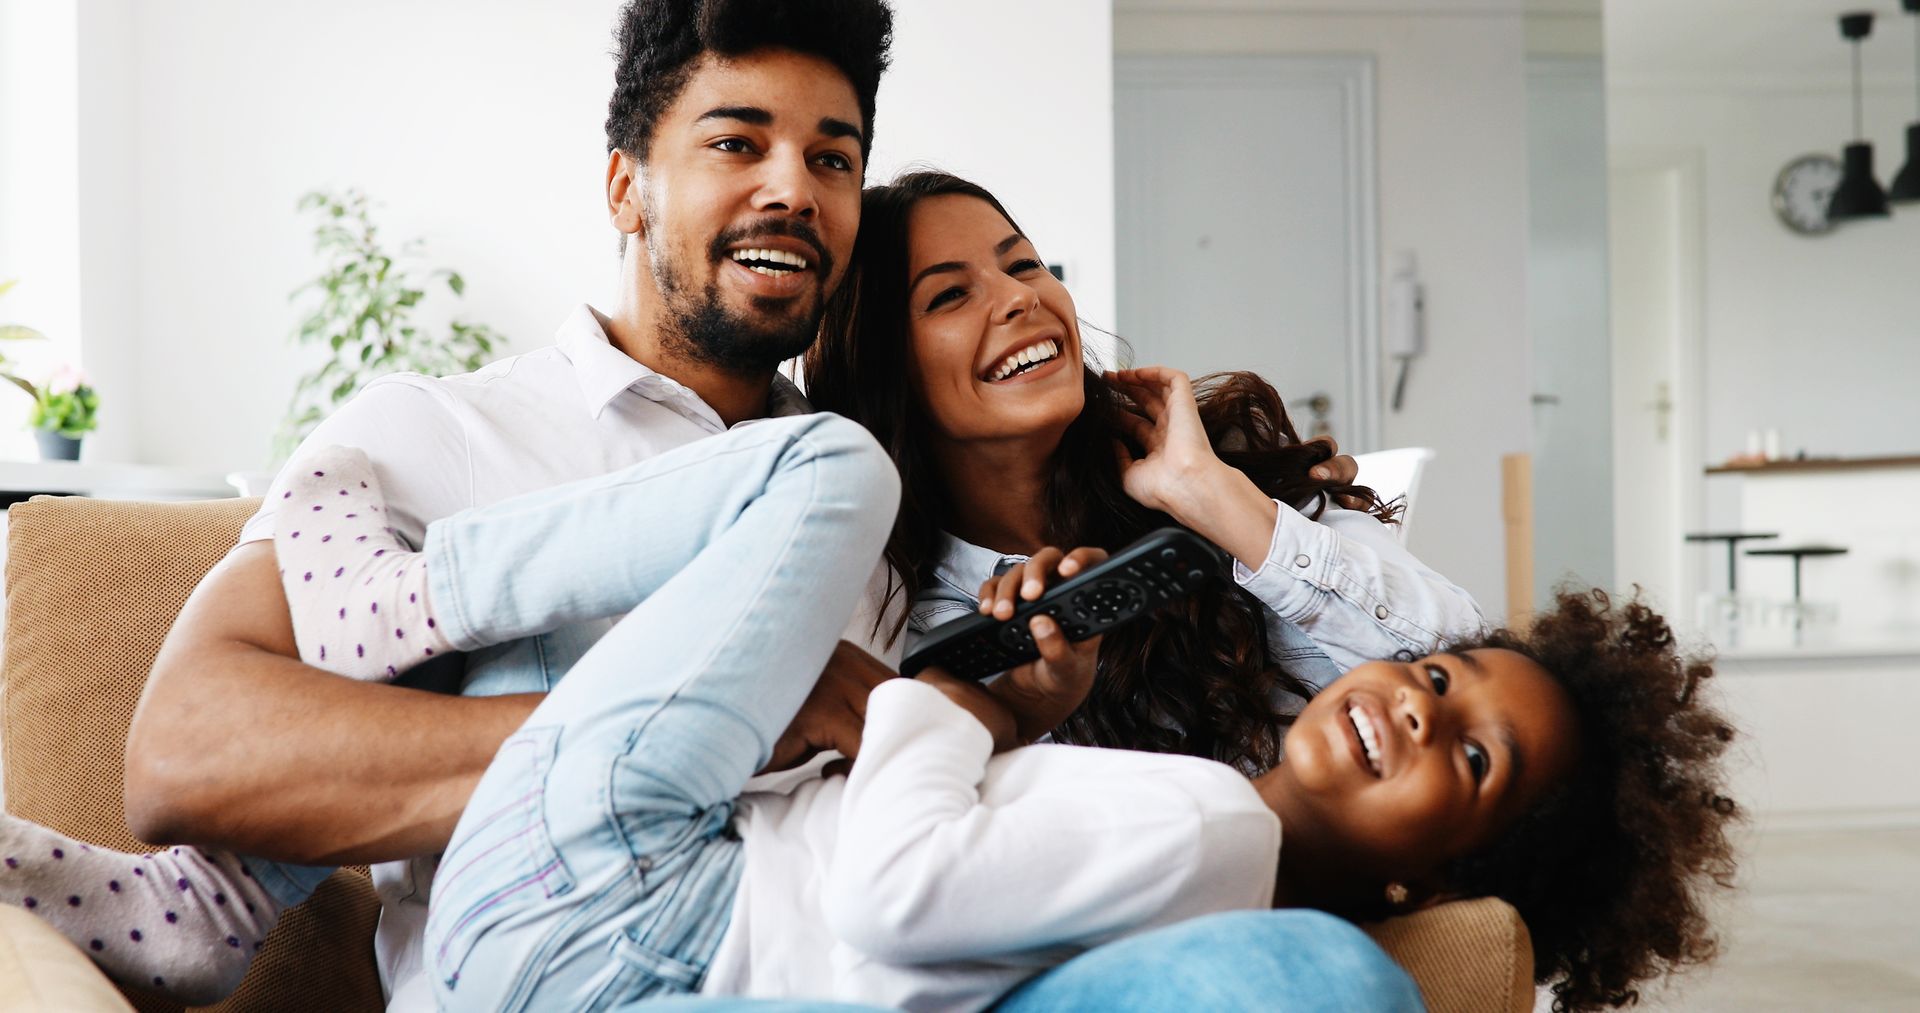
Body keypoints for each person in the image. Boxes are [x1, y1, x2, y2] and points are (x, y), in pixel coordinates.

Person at [0, 3, 1426, 1010]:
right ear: (626, 185)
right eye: (737, 143)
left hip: (835, 961)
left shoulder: (885, 482)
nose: (792, 190)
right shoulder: (447, 432)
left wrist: (1014, 710)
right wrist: (686, 727)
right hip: (571, 967)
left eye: (832, 157)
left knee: (1315, 979)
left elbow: (903, 804)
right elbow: (186, 756)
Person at [252, 442, 1735, 1012]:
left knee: (828, 471)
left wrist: (939, 701)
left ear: (1438, 884)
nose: (1412, 712)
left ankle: (400, 595)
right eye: (1437, 679)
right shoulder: (1203, 836)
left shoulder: (1215, 823)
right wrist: (1017, 718)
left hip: (623, 911)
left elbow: (897, 887)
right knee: (642, 628)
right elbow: (961, 873)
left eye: (1470, 757)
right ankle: (244, 874)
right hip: (601, 938)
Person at [804, 170, 1483, 776]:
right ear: (884, 375)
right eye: (950, 294)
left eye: (1025, 265)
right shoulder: (922, 636)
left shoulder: (1220, 472)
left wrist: (1213, 496)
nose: (1020, 298)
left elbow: (1473, 666)